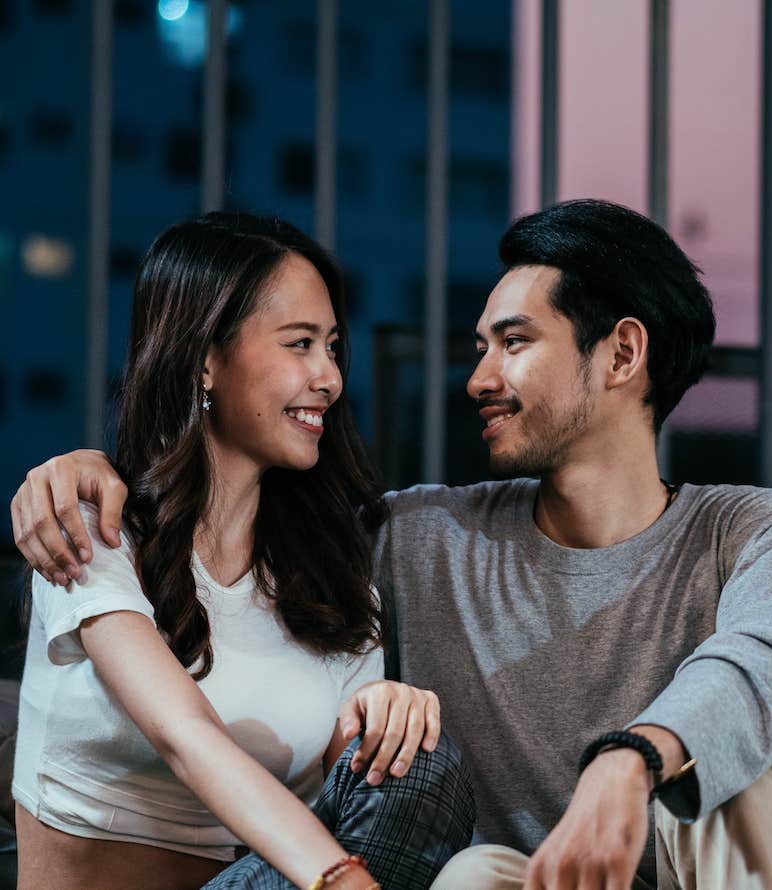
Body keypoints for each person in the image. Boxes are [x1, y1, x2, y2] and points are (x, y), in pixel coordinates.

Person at [12, 200, 772, 889]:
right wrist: (79, 469)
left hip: (680, 859)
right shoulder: (412, 540)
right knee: (473, 869)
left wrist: (630, 763)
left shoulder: (749, 527)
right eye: (481, 347)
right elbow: (201, 704)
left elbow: (771, 660)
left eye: (513, 344)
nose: (477, 378)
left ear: (621, 353)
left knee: (741, 784)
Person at [10, 212, 474, 890]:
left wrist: (381, 721)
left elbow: (352, 806)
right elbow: (185, 736)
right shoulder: (96, 527)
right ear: (206, 357)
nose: (330, 378)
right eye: (300, 344)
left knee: (420, 765)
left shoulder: (330, 580)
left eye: (334, 347)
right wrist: (339, 879)